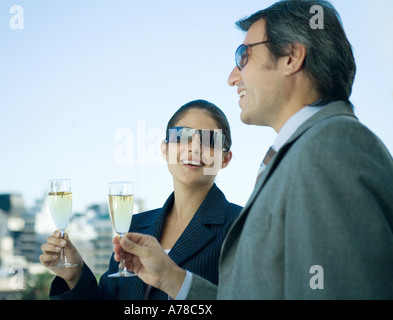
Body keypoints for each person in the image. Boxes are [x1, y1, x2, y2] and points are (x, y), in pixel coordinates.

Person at [112, 0, 393, 299]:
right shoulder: (308, 150)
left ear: (291, 57)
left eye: (243, 56)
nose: (233, 77)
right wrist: (173, 279)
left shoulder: (333, 148)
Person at [39, 99, 243, 299]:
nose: (195, 148)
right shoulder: (134, 225)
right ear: (165, 149)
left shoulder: (242, 226)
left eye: (209, 140)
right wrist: (75, 276)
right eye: (182, 136)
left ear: (225, 159)